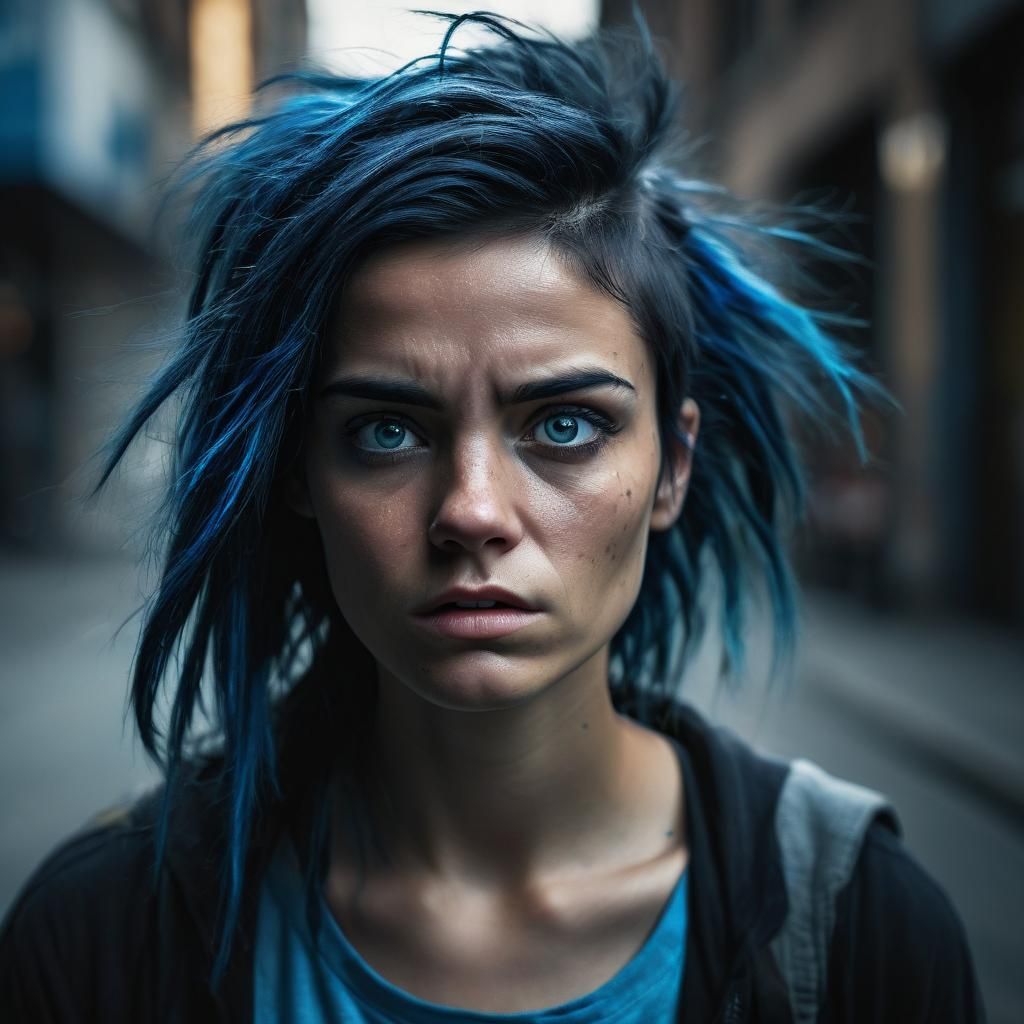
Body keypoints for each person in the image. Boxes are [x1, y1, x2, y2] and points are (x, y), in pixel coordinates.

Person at [0, 12, 985, 1023]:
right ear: (300, 469)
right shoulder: (101, 943)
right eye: (387, 431)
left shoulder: (860, 932)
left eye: (563, 423)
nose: (471, 511)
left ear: (671, 465)